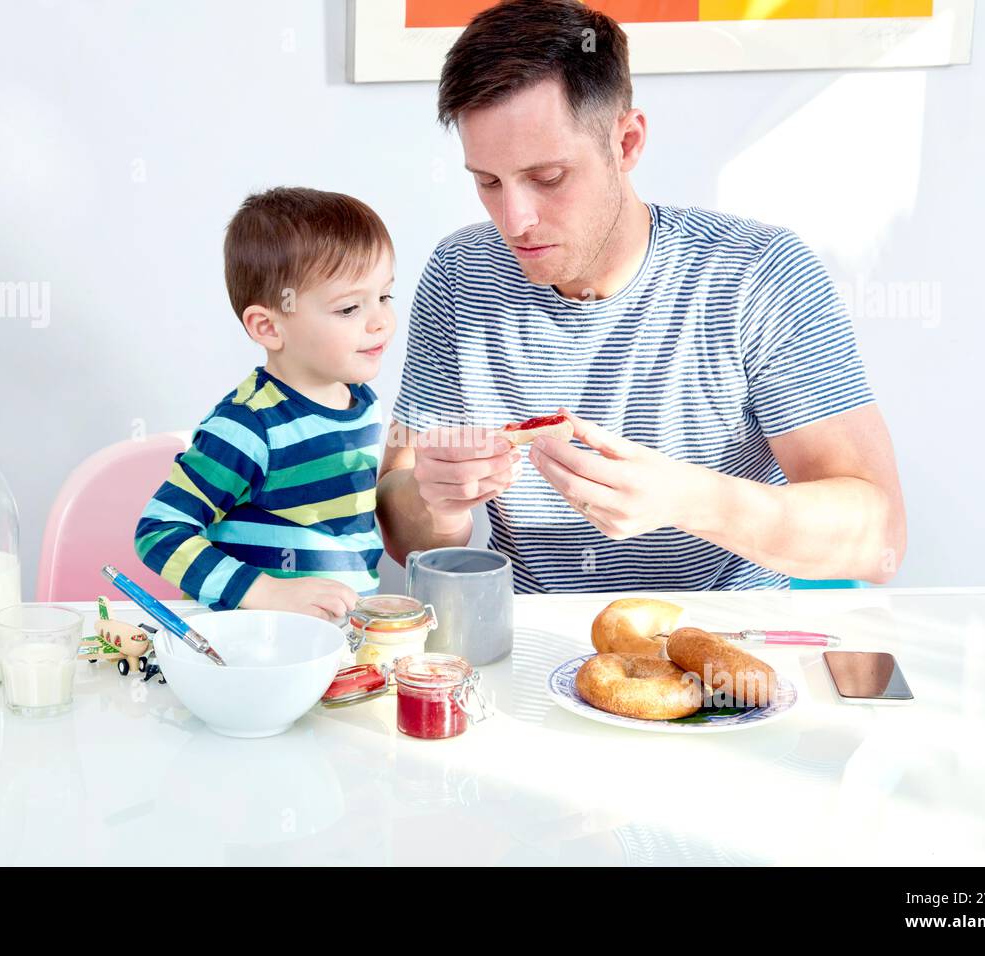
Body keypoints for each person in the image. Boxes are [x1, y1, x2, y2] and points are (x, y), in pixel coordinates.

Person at [377, 0, 906, 592]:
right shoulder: (461, 273)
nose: (515, 219)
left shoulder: (755, 274)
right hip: (525, 642)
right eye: (488, 182)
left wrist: (691, 499)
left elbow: (880, 538)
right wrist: (438, 504)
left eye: (548, 178)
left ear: (626, 143)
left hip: (716, 651)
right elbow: (402, 533)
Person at [137, 187, 395, 620]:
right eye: (349, 307)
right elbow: (159, 533)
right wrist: (271, 593)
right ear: (269, 327)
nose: (380, 320)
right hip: (257, 650)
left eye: (385, 296)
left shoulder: (363, 402)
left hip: (340, 641)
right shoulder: (248, 425)